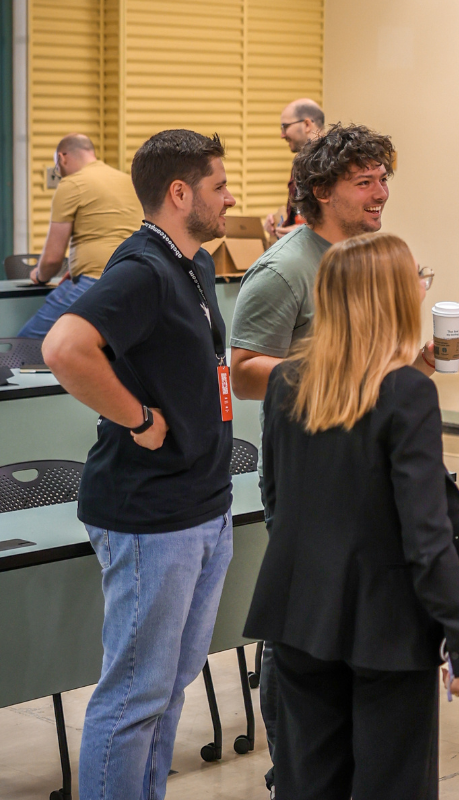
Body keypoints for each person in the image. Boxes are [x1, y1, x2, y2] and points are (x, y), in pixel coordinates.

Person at [229, 122, 459, 798]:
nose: (380, 192)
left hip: (368, 516)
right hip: (316, 506)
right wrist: (350, 373)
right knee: (310, 700)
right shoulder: (284, 269)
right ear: (322, 190)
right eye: (365, 181)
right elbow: (246, 372)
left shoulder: (367, 255)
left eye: (383, 178)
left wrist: (398, 366)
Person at [41, 129, 237, 800]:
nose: (230, 196)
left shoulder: (195, 264)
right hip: (152, 518)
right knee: (133, 698)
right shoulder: (143, 269)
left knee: (166, 690)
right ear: (179, 193)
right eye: (218, 186)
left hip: (203, 507)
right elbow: (66, 348)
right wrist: (139, 419)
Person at [19, 134, 141, 338]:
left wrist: (39, 275)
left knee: (27, 344)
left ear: (62, 157)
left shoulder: (71, 184)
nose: (60, 173)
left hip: (95, 283)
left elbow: (52, 260)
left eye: (58, 169)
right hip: (136, 283)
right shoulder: (128, 181)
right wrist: (77, 269)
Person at [264, 98, 324, 239]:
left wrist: (308, 232)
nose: (282, 135)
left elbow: (342, 218)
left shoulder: (335, 163)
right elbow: (301, 215)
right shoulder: (300, 162)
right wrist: (279, 223)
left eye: (285, 127)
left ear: (307, 124)